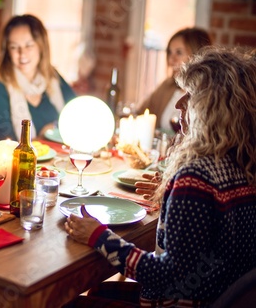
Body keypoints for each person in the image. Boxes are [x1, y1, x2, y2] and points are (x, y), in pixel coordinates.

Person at [64, 47, 256, 307]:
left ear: (213, 109)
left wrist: (98, 235)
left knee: (72, 303)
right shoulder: (242, 166)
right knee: (99, 291)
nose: (179, 103)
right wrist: (172, 193)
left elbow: (165, 276)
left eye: (190, 96)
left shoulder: (196, 178)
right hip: (218, 297)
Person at [0, 14, 76, 141]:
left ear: (41, 47)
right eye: (14, 47)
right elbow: (4, 142)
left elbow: (77, 115)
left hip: (56, 157)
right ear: (7, 51)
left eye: (29, 45)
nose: (22, 54)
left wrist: (54, 127)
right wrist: (45, 137)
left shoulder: (52, 76)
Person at [138, 27, 212, 133]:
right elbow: (140, 114)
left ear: (197, 55)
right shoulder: (167, 86)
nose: (171, 60)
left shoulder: (208, 96)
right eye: (169, 52)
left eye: (179, 52)